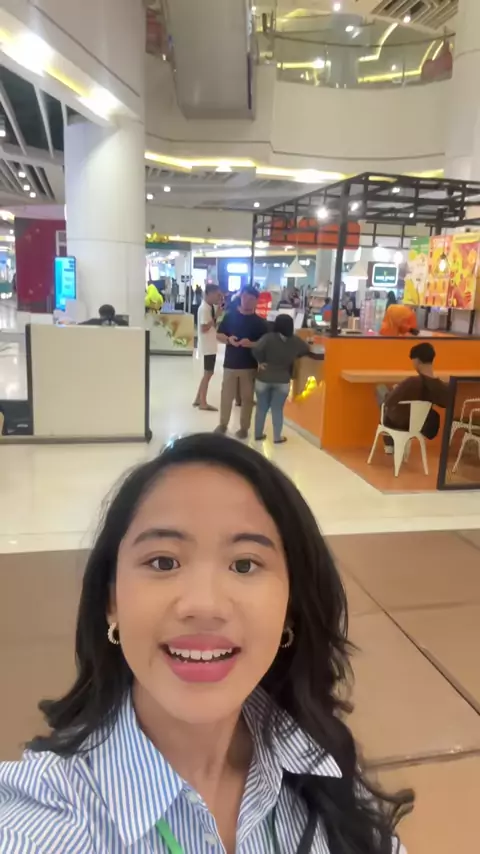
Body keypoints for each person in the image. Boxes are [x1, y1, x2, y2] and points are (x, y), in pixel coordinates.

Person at [0, 434, 412, 853]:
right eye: (163, 562)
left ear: (291, 607)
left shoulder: (321, 764)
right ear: (112, 602)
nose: (203, 605)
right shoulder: (46, 821)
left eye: (244, 565)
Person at [377, 342, 450, 453]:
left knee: (381, 390)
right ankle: (390, 444)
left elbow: (388, 402)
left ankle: (389, 443)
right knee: (388, 401)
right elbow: (445, 402)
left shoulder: (411, 382)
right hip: (421, 424)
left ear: (416, 361)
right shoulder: (439, 385)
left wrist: (396, 390)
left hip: (400, 422)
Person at [216, 286, 268, 439]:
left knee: (247, 399)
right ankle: (223, 424)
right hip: (230, 364)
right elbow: (219, 335)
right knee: (226, 396)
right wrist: (228, 339)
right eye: (245, 297)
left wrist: (251, 344)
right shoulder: (230, 317)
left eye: (251, 299)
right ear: (241, 297)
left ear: (256, 301)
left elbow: (264, 344)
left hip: (249, 366)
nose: (247, 301)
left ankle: (244, 428)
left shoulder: (260, 323)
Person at [253, 314, 309, 443]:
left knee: (261, 407)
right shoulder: (295, 341)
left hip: (264, 377)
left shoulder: (268, 338)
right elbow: (306, 349)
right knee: (277, 409)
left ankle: (258, 434)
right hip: (283, 379)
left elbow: (256, 349)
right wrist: (293, 356)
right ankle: (277, 437)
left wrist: (261, 361)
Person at [193, 283, 221, 411]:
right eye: (216, 295)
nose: (218, 297)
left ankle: (198, 398)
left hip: (210, 345)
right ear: (209, 294)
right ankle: (203, 402)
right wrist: (216, 317)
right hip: (207, 346)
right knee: (208, 373)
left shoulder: (209, 307)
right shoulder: (204, 309)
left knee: (208, 373)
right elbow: (204, 328)